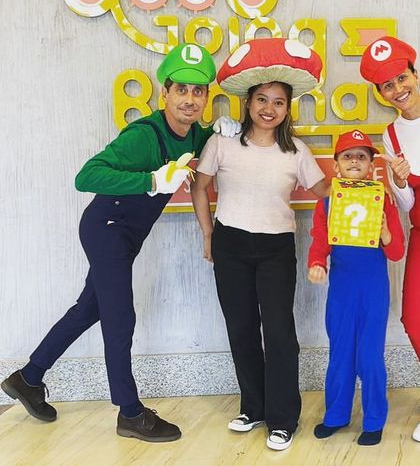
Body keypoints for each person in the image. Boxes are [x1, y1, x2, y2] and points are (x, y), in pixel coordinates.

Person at [1, 43, 241, 443]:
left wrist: (224, 130)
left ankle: (28, 378)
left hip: (126, 234)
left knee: (88, 309)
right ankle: (129, 413)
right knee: (119, 317)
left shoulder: (195, 134)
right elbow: (86, 176)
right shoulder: (143, 135)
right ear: (165, 93)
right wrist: (150, 180)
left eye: (198, 91)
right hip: (106, 227)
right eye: (181, 89)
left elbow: (207, 146)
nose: (190, 99)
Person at [191, 37, 330, 451]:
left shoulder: (296, 151)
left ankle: (283, 419)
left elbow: (324, 190)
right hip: (230, 245)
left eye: (279, 102)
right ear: (248, 102)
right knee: (241, 329)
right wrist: (208, 233)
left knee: (280, 333)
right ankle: (253, 407)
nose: (269, 109)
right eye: (262, 100)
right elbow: (200, 187)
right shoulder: (222, 142)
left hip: (275, 249)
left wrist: (364, 187)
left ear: (288, 109)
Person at [308, 129, 405, 446]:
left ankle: (374, 420)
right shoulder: (326, 204)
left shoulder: (383, 201)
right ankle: (336, 415)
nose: (354, 161)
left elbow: (396, 252)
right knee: (340, 354)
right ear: (336, 165)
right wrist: (317, 263)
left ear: (371, 166)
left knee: (370, 357)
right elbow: (320, 241)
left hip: (373, 292)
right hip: (341, 292)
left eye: (361, 157)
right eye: (347, 156)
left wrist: (385, 232)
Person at [360, 36, 420, 442]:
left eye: (402, 78)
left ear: (415, 74)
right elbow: (407, 203)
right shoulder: (392, 135)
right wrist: (398, 182)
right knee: (413, 317)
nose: (398, 89)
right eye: (387, 85)